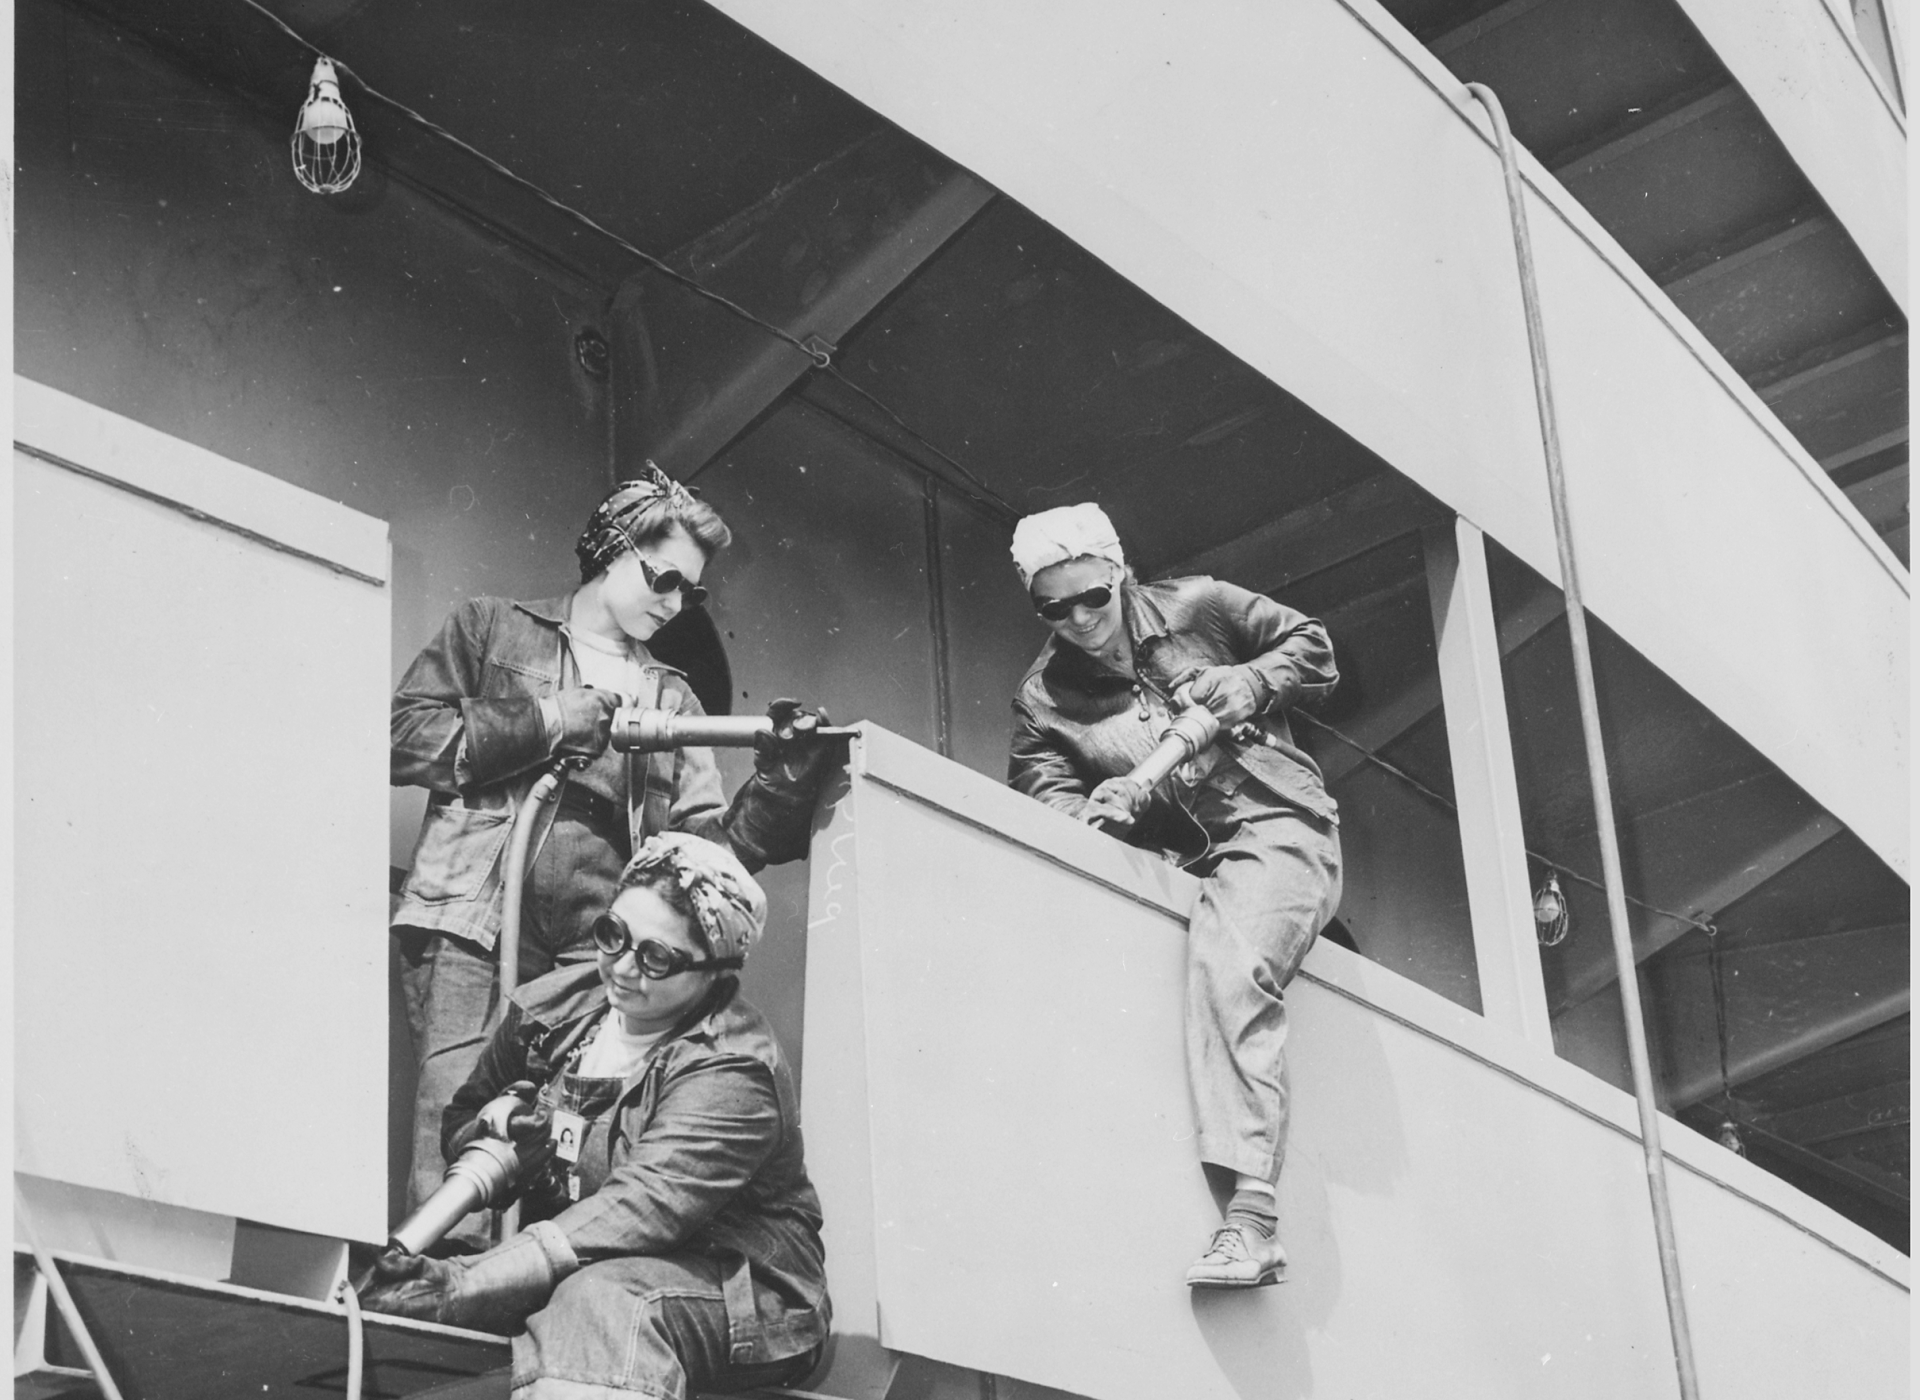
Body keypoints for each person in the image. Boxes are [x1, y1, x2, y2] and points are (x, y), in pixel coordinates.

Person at [390, 465, 832, 1250]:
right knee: (457, 1109)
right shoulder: (492, 629)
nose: (674, 604)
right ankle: (435, 1283)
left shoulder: (674, 700)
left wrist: (781, 784)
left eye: (690, 595)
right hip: (473, 915)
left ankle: (529, 1297)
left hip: (596, 946)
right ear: (609, 548)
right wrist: (552, 719)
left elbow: (707, 856)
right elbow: (404, 739)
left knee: (569, 1130)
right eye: (664, 579)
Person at [1005, 502, 1342, 1289]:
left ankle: (1253, 1220)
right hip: (1173, 872)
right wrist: (1095, 812)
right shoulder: (1040, 700)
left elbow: (1314, 647)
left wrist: (1250, 682)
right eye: (1054, 608)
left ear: (1118, 573)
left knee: (1230, 967)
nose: (1080, 620)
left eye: (1092, 597)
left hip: (1275, 828)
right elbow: (1042, 796)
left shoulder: (1200, 605)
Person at [362, 833, 829, 1399]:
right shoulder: (554, 1011)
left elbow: (640, 1209)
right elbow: (464, 1112)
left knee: (604, 1299)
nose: (623, 969)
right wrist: (495, 1131)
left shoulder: (733, 1070)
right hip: (586, 1271)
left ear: (716, 972)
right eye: (614, 935)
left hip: (743, 1294)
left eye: (656, 957)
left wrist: (467, 1283)